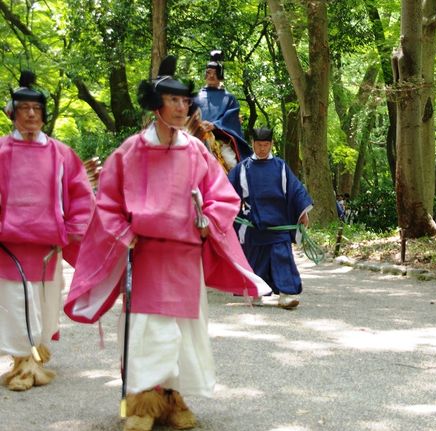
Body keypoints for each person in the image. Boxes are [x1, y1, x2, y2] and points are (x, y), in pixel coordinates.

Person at [64, 56, 270, 431]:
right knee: (146, 330)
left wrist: (209, 220)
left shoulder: (196, 152)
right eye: (173, 100)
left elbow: (221, 197)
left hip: (185, 256)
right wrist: (125, 234)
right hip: (145, 255)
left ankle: (174, 400)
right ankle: (141, 404)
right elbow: (107, 204)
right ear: (156, 105)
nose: (181, 107)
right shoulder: (129, 152)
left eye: (184, 100)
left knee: (183, 334)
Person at [0, 71, 94, 391]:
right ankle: (23, 365)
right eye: (24, 108)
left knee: (44, 305)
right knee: (15, 302)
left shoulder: (61, 154)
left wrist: (71, 230)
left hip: (49, 246)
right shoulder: (0, 152)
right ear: (12, 113)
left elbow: (82, 196)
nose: (30, 114)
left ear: (43, 114)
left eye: (36, 109)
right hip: (9, 246)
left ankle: (35, 351)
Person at [228, 127, 313, 309]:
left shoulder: (280, 166)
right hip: (253, 224)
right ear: (253, 144)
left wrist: (303, 212)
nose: (262, 149)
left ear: (272, 144)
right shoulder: (243, 168)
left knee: (282, 258)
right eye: (259, 145)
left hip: (278, 223)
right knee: (255, 262)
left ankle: (286, 295)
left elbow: (295, 191)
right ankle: (256, 293)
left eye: (266, 145)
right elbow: (227, 191)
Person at [192, 49, 252, 171]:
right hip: (196, 139)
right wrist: (198, 125)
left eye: (215, 73)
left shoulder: (229, 98)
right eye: (209, 73)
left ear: (220, 75)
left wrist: (215, 125)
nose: (211, 76)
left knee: (232, 163)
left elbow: (232, 119)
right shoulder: (195, 97)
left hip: (220, 141)